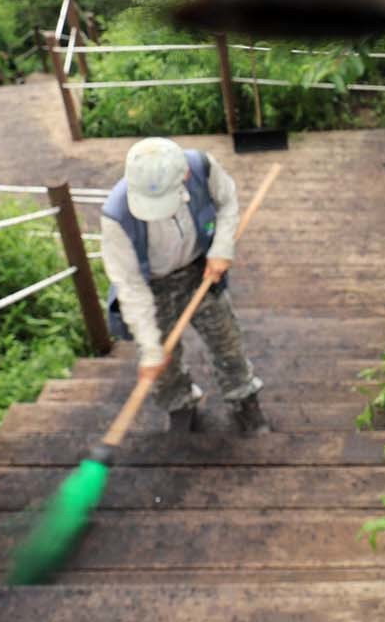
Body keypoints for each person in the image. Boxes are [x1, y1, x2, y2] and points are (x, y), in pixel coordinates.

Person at [100, 137, 269, 434]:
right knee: (162, 364)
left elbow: (227, 202)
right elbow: (129, 285)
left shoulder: (200, 167)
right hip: (151, 287)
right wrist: (151, 346)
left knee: (227, 341)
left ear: (184, 177)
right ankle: (179, 403)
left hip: (199, 271)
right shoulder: (116, 216)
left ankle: (244, 398)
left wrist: (221, 248)